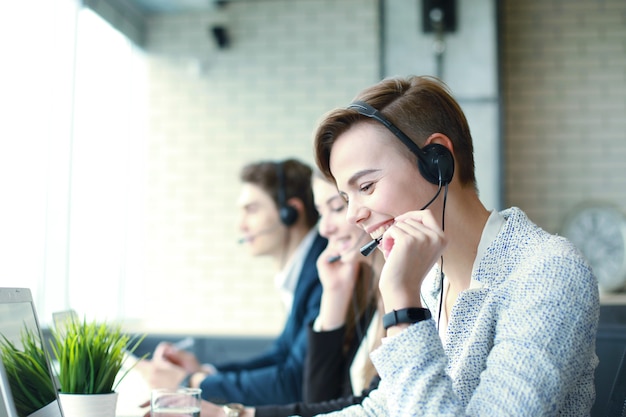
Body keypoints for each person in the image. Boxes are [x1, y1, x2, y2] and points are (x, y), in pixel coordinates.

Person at [305, 75, 600, 415]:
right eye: (346, 196)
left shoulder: (548, 273)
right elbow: (382, 410)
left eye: (367, 186)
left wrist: (402, 306)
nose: (353, 216)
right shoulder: (434, 282)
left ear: (436, 160)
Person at [191, 172, 386, 417]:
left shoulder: (407, 294)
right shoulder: (360, 288)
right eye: (321, 212)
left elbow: (299, 384)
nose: (324, 229)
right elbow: (319, 399)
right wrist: (334, 296)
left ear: (289, 212)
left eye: (336, 207)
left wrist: (232, 413)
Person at [137, 158, 328, 406]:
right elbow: (280, 356)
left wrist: (190, 382)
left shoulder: (323, 269)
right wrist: (206, 372)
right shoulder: (304, 270)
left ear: (289, 213)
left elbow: (292, 381)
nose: (241, 225)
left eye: (252, 209)